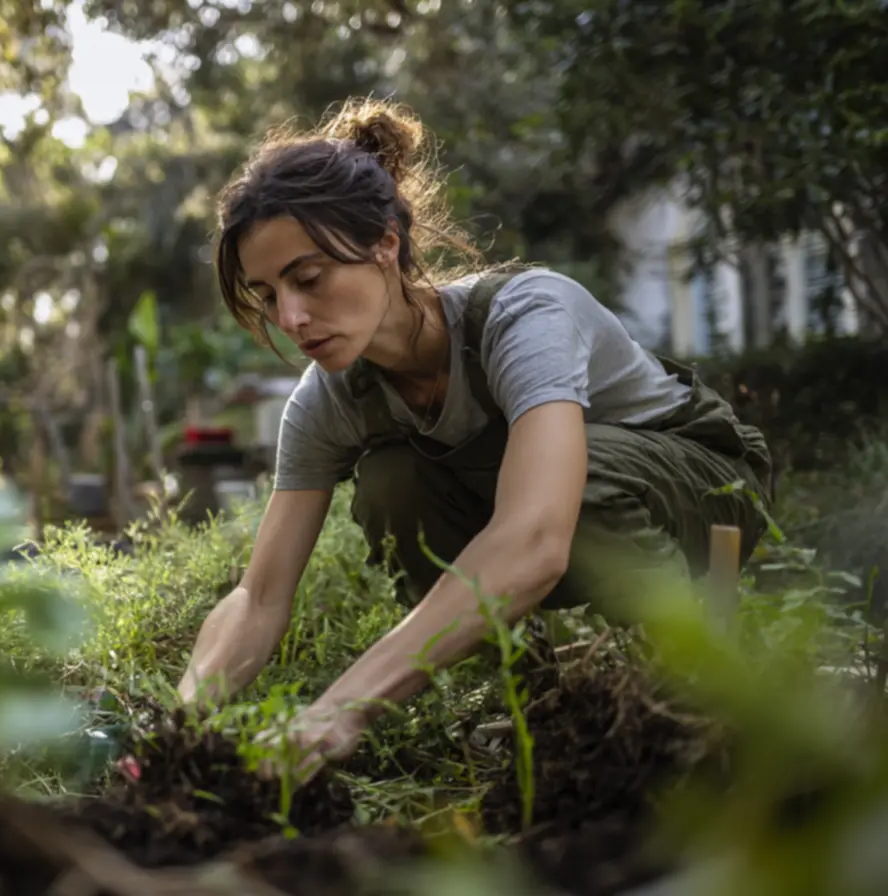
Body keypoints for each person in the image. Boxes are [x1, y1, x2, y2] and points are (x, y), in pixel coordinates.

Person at [174, 98, 774, 782]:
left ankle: (685, 676)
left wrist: (343, 706)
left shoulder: (524, 317)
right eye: (268, 295)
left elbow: (535, 539)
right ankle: (534, 694)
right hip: (566, 512)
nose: (292, 317)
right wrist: (182, 720)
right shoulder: (331, 398)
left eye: (309, 279)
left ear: (385, 246)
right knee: (391, 484)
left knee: (580, 483)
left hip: (709, 486)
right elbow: (258, 597)